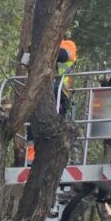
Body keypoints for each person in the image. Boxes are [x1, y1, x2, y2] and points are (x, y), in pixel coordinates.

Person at [26, 37, 77, 165]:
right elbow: (25, 60)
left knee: (55, 123)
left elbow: (63, 55)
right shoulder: (40, 43)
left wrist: (42, 48)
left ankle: (54, 157)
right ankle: (32, 157)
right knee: (32, 123)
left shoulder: (68, 45)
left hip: (60, 91)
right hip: (40, 90)